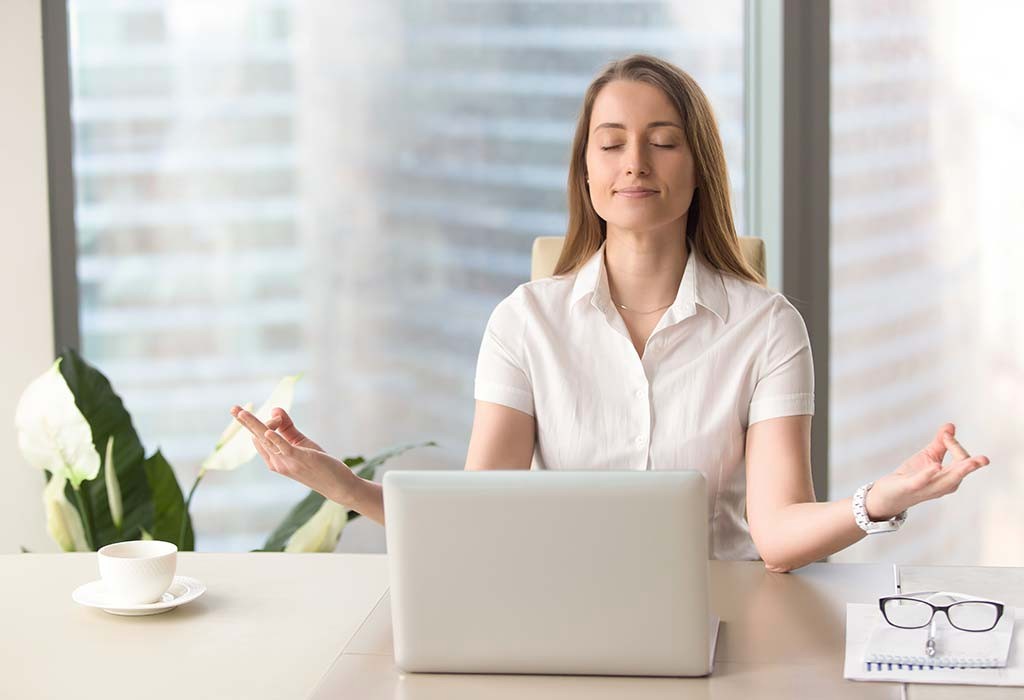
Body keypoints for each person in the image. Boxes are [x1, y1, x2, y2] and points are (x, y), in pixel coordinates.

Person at [230, 54, 989, 572]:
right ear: (586, 172)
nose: (635, 162)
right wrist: (343, 486)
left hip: (725, 607)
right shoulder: (524, 323)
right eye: (611, 143)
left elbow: (779, 533)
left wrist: (876, 502)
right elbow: (477, 515)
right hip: (565, 608)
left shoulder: (768, 328)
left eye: (663, 143)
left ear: (698, 173)